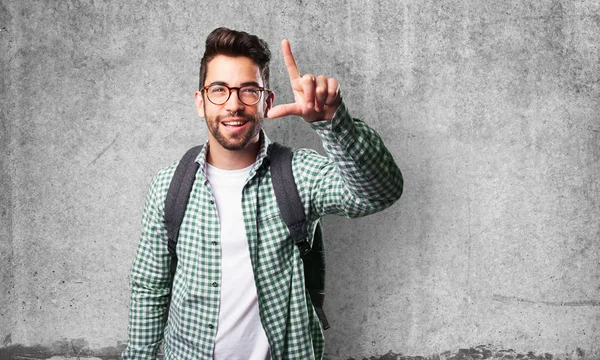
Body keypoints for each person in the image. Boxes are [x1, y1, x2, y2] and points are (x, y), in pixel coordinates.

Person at [122, 27, 403, 360]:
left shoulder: (298, 174)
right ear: (201, 102)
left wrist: (333, 122)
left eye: (249, 90)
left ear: (267, 100)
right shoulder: (169, 185)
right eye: (218, 90)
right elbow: (150, 286)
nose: (234, 104)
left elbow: (379, 193)